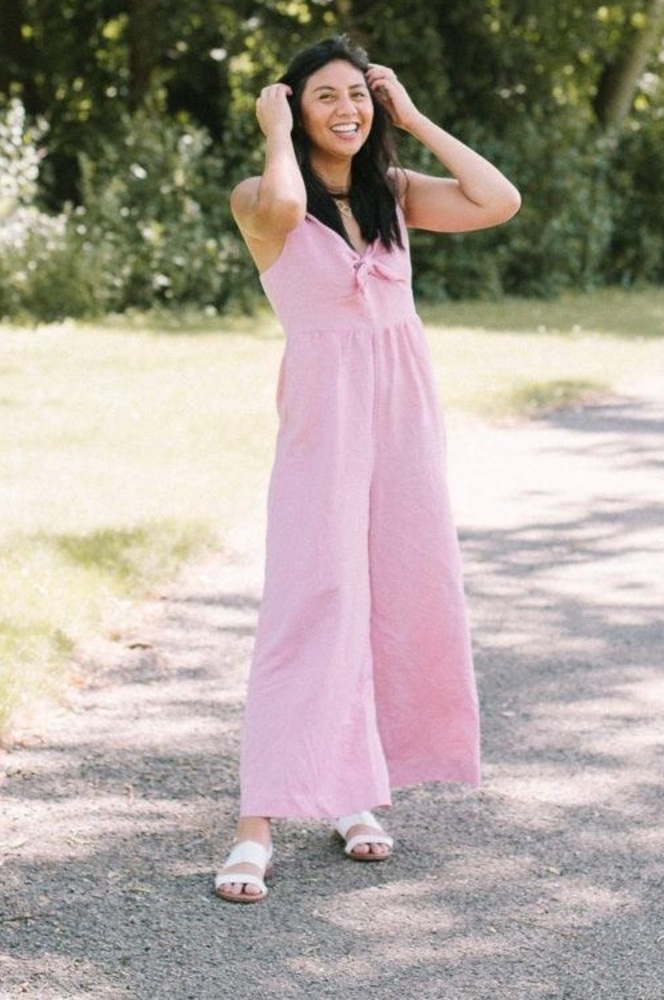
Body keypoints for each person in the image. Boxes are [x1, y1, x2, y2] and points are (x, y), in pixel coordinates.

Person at [215, 34, 520, 903]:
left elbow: (498, 200)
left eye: (358, 94)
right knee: (313, 599)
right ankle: (256, 825)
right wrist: (274, 132)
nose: (346, 110)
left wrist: (414, 119)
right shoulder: (260, 194)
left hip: (403, 412)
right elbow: (279, 209)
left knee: (400, 590)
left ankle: (358, 794)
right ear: (294, 107)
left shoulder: (391, 192)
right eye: (325, 98)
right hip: (326, 416)